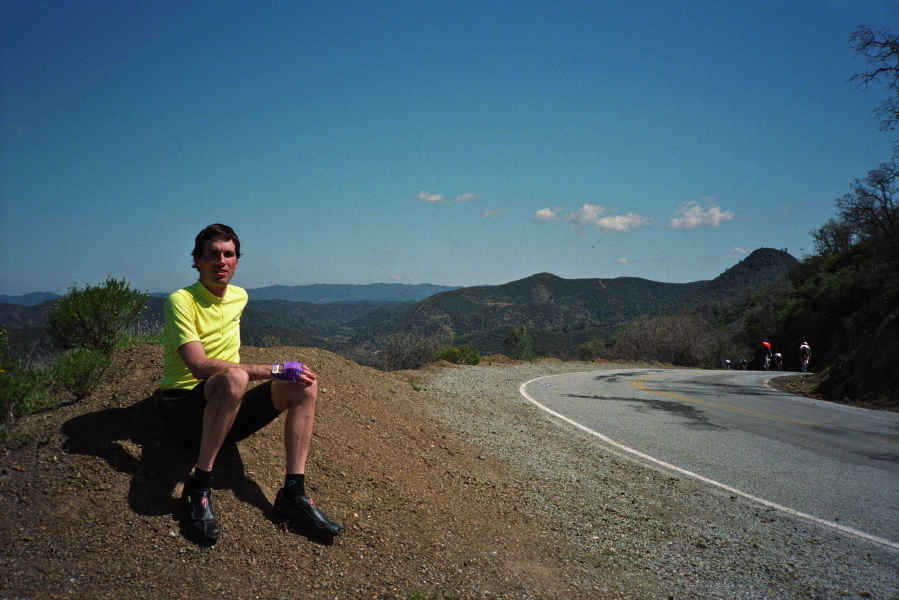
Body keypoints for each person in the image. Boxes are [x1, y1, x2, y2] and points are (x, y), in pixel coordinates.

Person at [158, 224, 341, 544]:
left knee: (305, 382)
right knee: (236, 377)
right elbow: (198, 366)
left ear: (237, 261)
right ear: (197, 260)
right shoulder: (180, 301)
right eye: (212, 254)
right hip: (183, 410)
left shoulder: (239, 296)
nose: (221, 261)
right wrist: (272, 370)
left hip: (229, 406)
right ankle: (197, 488)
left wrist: (283, 373)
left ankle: (293, 494)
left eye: (228, 254)